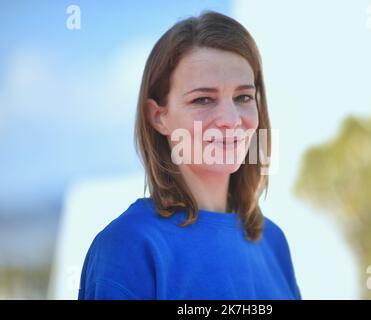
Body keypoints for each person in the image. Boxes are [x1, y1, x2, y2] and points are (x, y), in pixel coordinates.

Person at [78, 10, 301, 300]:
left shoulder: (272, 241)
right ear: (159, 116)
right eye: (203, 99)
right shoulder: (129, 245)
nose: (230, 119)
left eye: (243, 97)